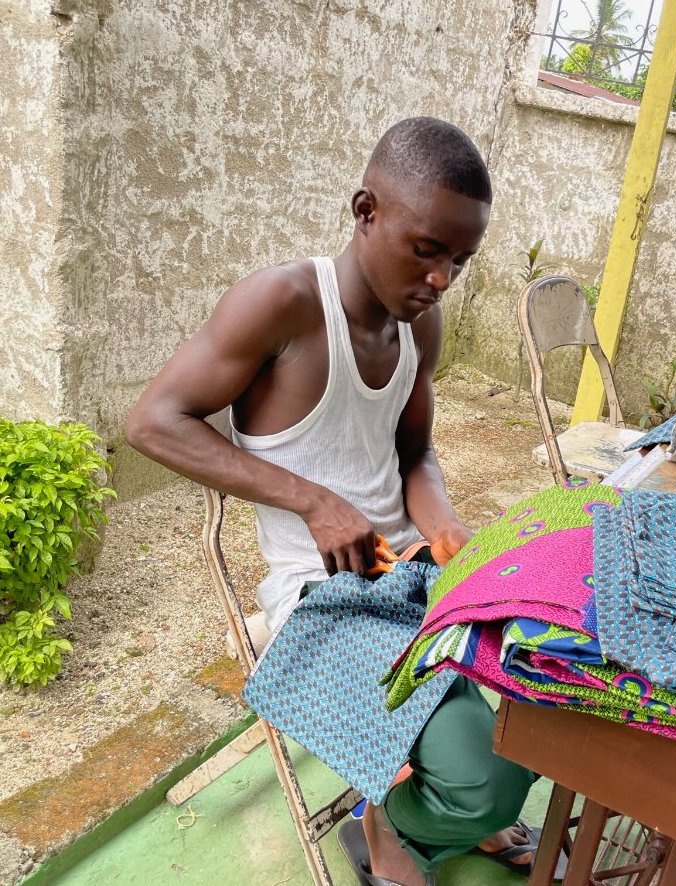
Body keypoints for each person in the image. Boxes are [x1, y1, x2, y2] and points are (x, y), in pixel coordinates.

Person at [126, 117, 539, 886]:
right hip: (318, 597)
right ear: (365, 211)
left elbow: (414, 452)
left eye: (461, 260)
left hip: (405, 569)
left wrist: (441, 522)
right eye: (426, 250)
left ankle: (433, 792)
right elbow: (152, 422)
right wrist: (314, 503)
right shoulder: (283, 302)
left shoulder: (423, 324)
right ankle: (386, 831)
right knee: (483, 782)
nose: (442, 279)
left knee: (558, 678)